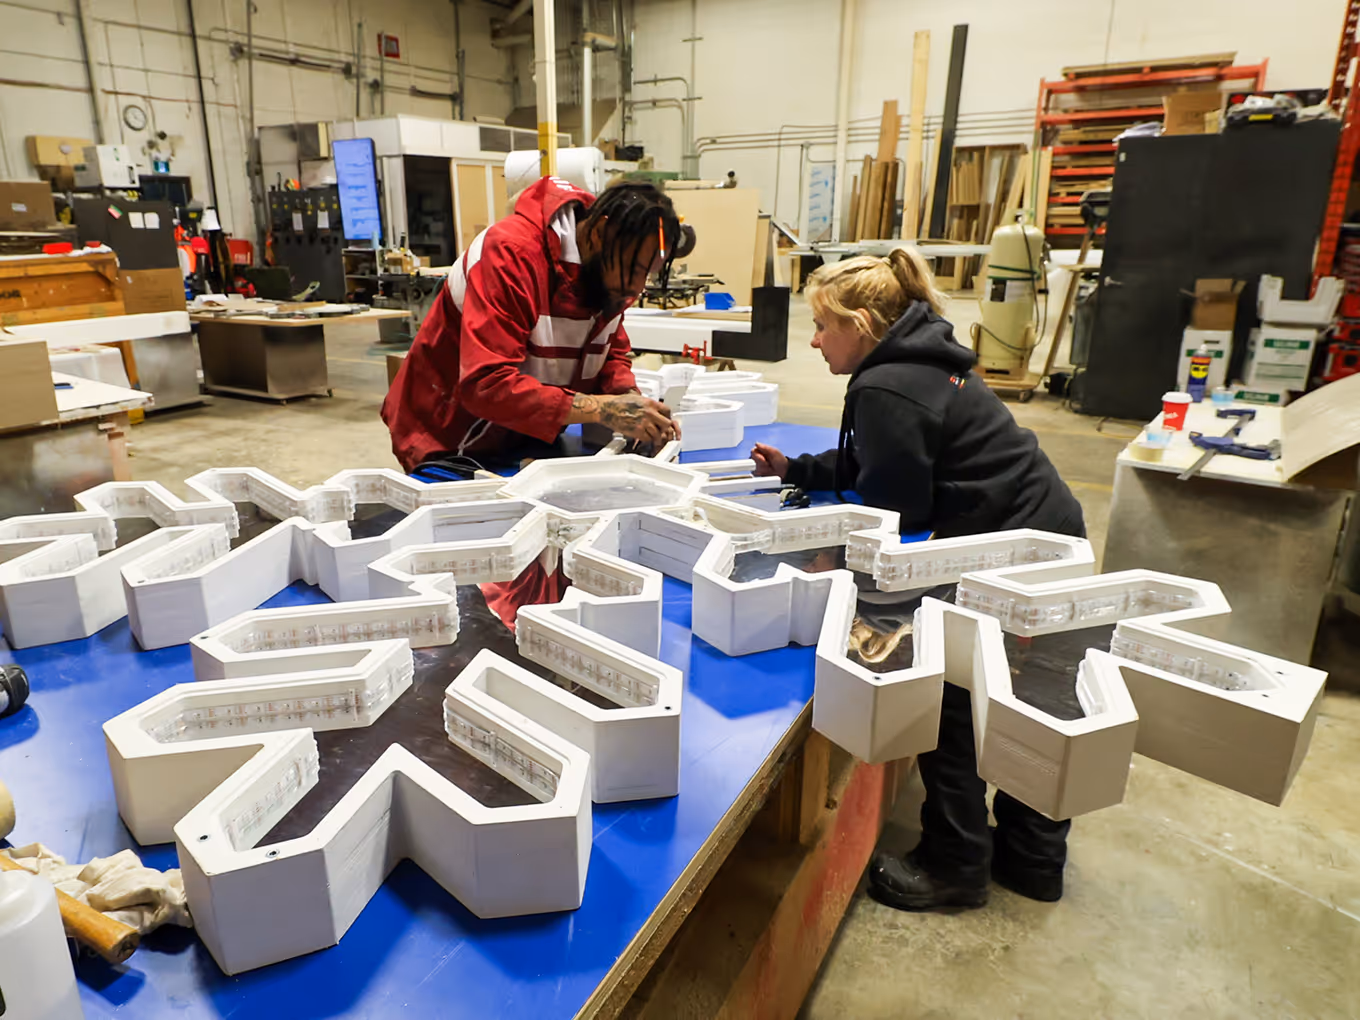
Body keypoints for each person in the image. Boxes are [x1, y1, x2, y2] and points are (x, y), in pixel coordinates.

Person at [750, 248, 1085, 911]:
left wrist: (829, 559)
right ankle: (1033, 860)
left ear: (864, 324)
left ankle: (955, 863)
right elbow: (885, 458)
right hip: (1049, 536)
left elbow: (895, 514)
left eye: (822, 325)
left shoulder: (885, 385)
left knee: (951, 694)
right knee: (1036, 700)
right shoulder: (920, 365)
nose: (813, 340)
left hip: (1004, 554)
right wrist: (803, 468)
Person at [383, 177, 689, 475]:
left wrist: (629, 399)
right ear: (598, 232)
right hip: (448, 433)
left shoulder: (607, 270)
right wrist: (606, 410)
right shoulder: (511, 254)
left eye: (648, 274)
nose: (636, 287)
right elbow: (486, 384)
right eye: (634, 270)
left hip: (523, 433)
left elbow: (609, 351)